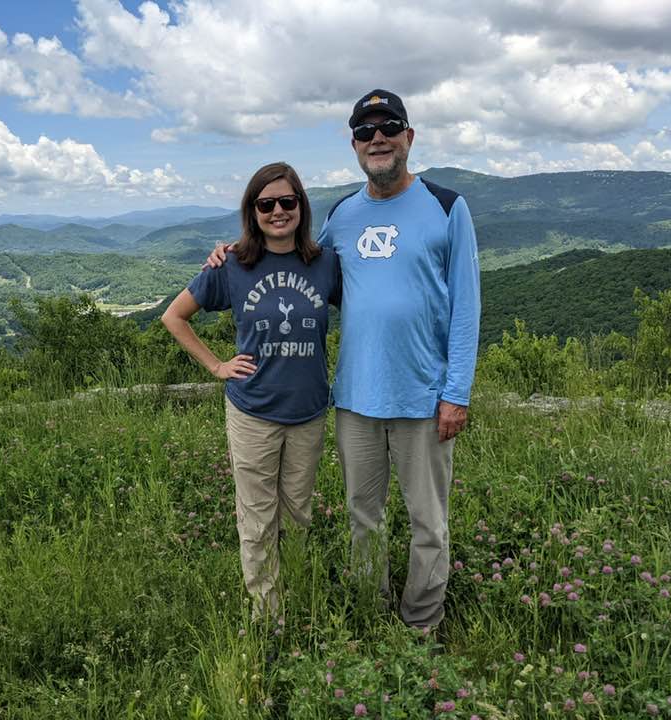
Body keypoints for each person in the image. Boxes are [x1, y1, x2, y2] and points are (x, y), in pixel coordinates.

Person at [207, 90, 480, 630]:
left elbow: (468, 306)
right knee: (364, 518)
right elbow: (297, 256)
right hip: (355, 398)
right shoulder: (343, 215)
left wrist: (457, 392)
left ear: (409, 137)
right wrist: (229, 254)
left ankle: (421, 624)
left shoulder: (448, 206)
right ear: (354, 145)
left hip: (425, 398)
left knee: (428, 522)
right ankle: (370, 615)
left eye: (388, 127)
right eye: (365, 131)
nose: (377, 137)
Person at [162, 161, 341, 621]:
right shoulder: (234, 264)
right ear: (253, 210)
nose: (278, 211)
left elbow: (370, 303)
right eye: (267, 204)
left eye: (288, 201)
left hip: (308, 410)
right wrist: (217, 365)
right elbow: (174, 316)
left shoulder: (324, 263)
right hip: (254, 412)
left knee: (298, 514)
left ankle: (296, 594)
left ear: (301, 205)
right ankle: (268, 615)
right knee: (258, 518)